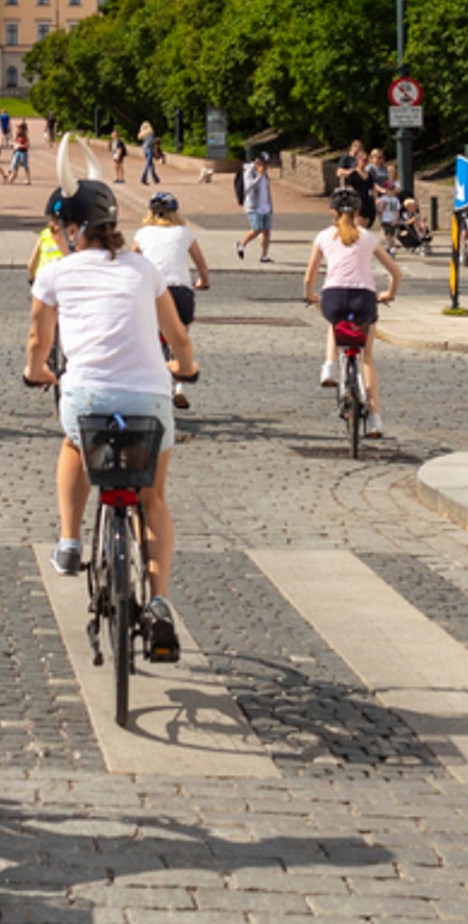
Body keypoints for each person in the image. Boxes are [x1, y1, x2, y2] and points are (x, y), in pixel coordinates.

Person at [23, 170, 198, 663]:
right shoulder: (143, 270)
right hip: (149, 399)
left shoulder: (55, 273)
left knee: (73, 443)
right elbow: (177, 336)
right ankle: (159, 601)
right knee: (153, 497)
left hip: (88, 398)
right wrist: (185, 368)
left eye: (58, 228)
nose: (57, 236)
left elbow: (39, 340)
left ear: (74, 229)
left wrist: (36, 372)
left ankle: (69, 542)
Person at [303, 188, 406, 435]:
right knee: (367, 358)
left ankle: (329, 366)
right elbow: (395, 272)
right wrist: (389, 293)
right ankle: (375, 420)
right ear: (358, 212)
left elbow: (309, 277)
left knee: (333, 322)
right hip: (364, 299)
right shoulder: (368, 237)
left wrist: (311, 296)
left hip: (334, 296)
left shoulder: (324, 236)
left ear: (333, 212)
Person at [133, 192, 210, 409]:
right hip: (180, 292)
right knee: (179, 339)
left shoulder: (142, 234)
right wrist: (203, 281)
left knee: (150, 340)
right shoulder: (184, 233)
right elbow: (201, 264)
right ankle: (179, 388)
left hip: (152, 292)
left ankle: (153, 385)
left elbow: (132, 262)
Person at [236, 153, 275, 263]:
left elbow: (267, 190)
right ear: (257, 162)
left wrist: (270, 206)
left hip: (265, 206)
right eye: (263, 164)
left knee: (267, 231)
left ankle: (264, 255)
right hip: (254, 207)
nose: (265, 167)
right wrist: (259, 175)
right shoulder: (249, 172)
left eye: (266, 164)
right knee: (257, 229)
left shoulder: (265, 174)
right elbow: (249, 187)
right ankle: (242, 244)